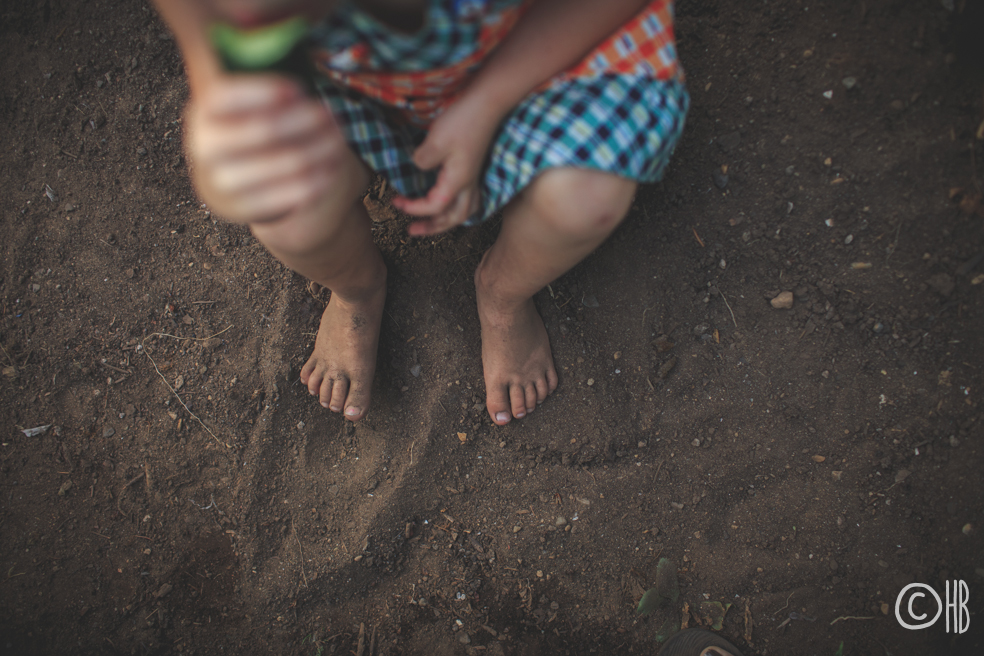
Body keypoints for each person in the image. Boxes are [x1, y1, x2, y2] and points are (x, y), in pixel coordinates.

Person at [150, 0, 688, 425]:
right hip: (344, 75)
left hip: (540, 38)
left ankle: (503, 294)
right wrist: (221, 103)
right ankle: (356, 291)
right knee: (286, 210)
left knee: (585, 198)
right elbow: (219, 45)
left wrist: (486, 101)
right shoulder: (260, 19)